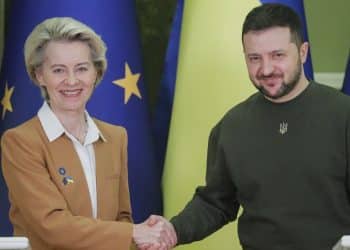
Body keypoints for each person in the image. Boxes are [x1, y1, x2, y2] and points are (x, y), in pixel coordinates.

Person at [143, 3, 350, 250]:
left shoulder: (343, 115)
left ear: (303, 52)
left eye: (278, 55)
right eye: (255, 58)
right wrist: (174, 230)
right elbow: (216, 203)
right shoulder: (232, 126)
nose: (266, 69)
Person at [1, 17, 166, 250]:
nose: (71, 81)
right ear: (39, 75)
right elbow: (51, 226)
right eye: (58, 70)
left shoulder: (115, 137)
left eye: (81, 68)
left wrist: (145, 239)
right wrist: (135, 232)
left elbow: (122, 219)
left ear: (96, 73)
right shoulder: (20, 142)